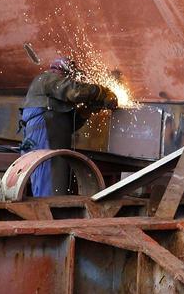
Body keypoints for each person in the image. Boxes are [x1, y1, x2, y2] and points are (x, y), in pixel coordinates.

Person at [19, 57, 118, 196]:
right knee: (49, 179)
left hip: (48, 135)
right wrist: (101, 91)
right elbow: (75, 92)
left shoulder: (55, 101)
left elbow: (69, 125)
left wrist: (90, 108)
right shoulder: (47, 78)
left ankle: (52, 211)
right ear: (62, 71)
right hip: (43, 134)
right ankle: (48, 213)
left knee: (54, 181)